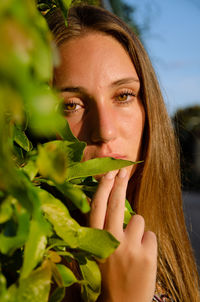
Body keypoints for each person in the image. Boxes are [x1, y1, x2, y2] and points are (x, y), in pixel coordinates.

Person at [46, 4, 200, 302]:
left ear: (148, 108)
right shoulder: (29, 270)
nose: (104, 130)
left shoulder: (163, 242)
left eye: (123, 96)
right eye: (71, 105)